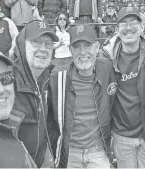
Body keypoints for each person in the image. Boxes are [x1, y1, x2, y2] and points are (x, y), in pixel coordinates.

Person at [101, 6, 145, 168]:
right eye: (123, 23)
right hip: (122, 135)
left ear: (142, 27)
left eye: (134, 22)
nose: (128, 28)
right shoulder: (107, 56)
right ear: (117, 29)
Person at [49, 25, 116, 168]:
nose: (83, 52)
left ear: (97, 47)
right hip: (70, 153)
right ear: (70, 50)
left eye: (88, 45)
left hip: (98, 151)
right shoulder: (58, 77)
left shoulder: (106, 68)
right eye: (77, 47)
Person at [11, 21, 59, 167]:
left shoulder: (45, 77)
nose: (43, 49)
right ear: (21, 45)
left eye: (48, 44)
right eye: (36, 42)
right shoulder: (5, 80)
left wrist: (46, 155)